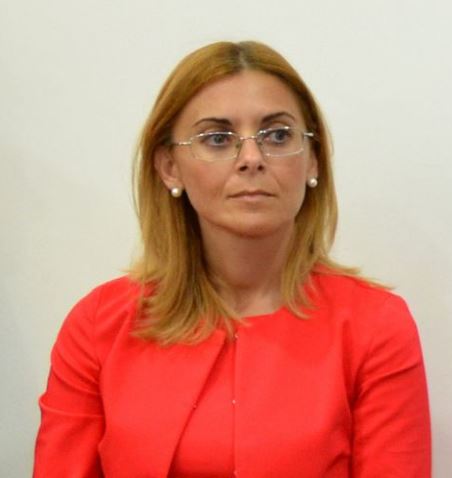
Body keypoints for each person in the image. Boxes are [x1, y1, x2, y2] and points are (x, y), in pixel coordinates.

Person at [33, 41, 431, 477]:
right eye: (218, 139)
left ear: (313, 159)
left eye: (277, 135)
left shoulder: (376, 328)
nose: (252, 159)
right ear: (169, 167)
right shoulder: (99, 326)